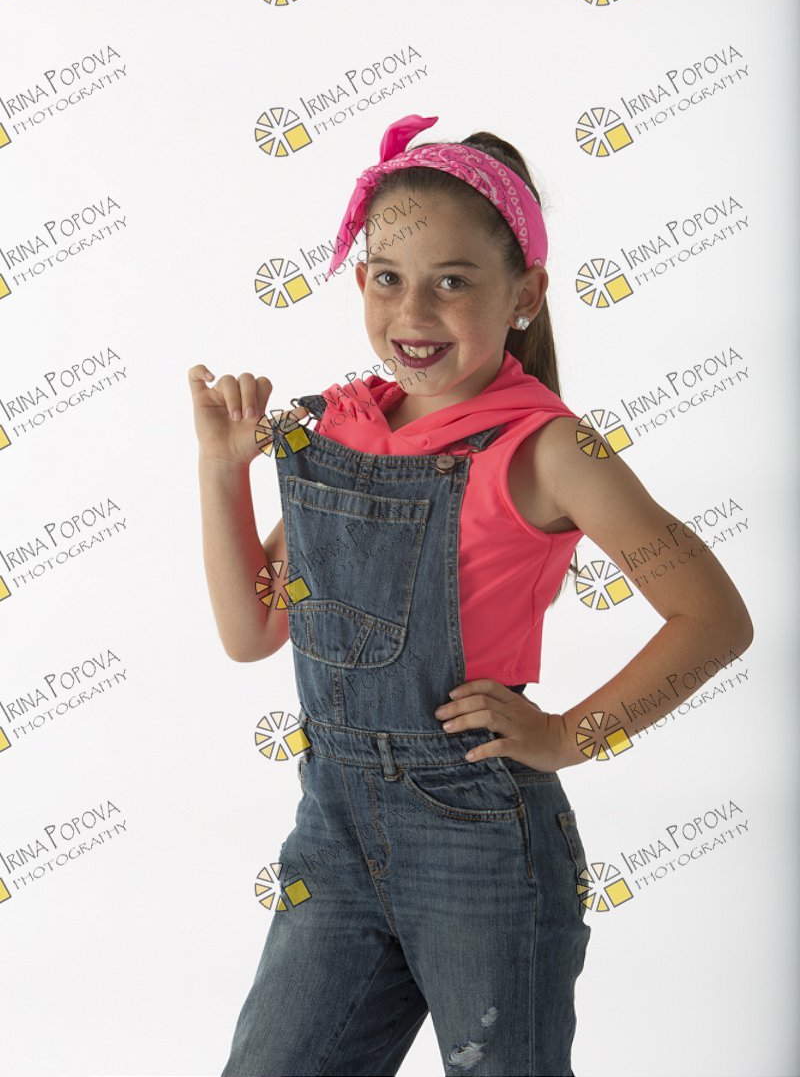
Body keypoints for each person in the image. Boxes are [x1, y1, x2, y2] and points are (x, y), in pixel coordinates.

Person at [189, 113, 754, 1077]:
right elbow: (251, 631)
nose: (413, 311)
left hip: (482, 845)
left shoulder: (552, 449)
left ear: (524, 293)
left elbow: (715, 619)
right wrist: (220, 471)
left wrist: (565, 735)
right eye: (387, 277)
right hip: (332, 834)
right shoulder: (337, 430)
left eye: (452, 281)